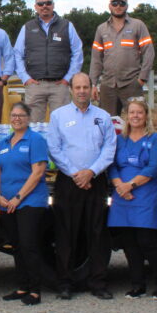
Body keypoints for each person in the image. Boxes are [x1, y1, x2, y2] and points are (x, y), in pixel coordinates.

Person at [47, 73, 117, 300]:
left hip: (95, 181)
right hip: (68, 181)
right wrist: (76, 174)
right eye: (78, 87)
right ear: (71, 89)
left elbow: (109, 148)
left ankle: (98, 283)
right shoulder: (58, 116)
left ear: (92, 89)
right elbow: (54, 149)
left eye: (86, 87)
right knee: (66, 234)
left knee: (97, 233)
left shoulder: (103, 116)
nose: (82, 91)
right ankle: (65, 283)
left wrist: (91, 172)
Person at [107, 99, 157, 300]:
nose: (135, 116)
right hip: (122, 196)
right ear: (126, 116)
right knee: (128, 242)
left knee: (147, 241)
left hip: (144, 194)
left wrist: (130, 185)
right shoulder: (120, 140)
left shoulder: (154, 139)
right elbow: (112, 166)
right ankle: (138, 285)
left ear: (146, 116)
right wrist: (119, 186)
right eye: (131, 112)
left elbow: (153, 167)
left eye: (139, 113)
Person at [0, 102, 49, 306]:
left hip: (29, 202)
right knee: (16, 245)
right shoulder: (4, 142)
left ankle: (35, 290)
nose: (16, 118)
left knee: (29, 245)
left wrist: (19, 197)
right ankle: (22, 286)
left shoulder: (36, 140)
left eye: (21, 115)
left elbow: (38, 172)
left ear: (28, 118)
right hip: (6, 203)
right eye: (14, 115)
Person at [13, 0, 84, 122]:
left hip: (60, 85)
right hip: (35, 85)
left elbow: (77, 53)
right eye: (40, 3)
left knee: (62, 125)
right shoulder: (27, 27)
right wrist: (25, 78)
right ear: (35, 6)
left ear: (53, 5)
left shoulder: (67, 25)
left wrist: (68, 78)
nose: (44, 6)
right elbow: (17, 54)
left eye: (48, 3)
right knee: (32, 127)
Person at [89, 0, 155, 117]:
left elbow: (149, 52)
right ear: (109, 6)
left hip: (131, 84)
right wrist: (93, 84)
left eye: (122, 3)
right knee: (107, 123)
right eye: (115, 3)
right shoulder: (101, 29)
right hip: (108, 85)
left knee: (138, 121)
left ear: (127, 6)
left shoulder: (138, 25)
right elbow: (96, 59)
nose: (118, 6)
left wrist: (142, 78)